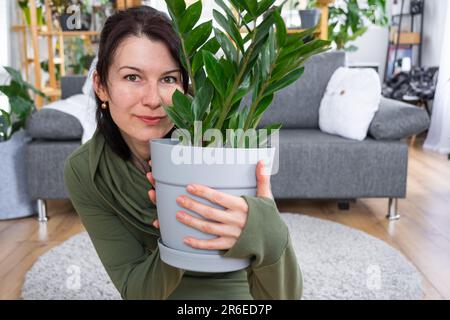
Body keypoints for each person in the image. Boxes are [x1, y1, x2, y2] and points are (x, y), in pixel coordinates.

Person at [63, 5, 302, 300]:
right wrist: (177, 236)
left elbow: (283, 297)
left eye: (168, 79)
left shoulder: (222, 146)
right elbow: (135, 289)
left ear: (187, 88)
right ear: (101, 86)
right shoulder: (87, 171)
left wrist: (265, 228)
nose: (153, 100)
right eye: (132, 77)